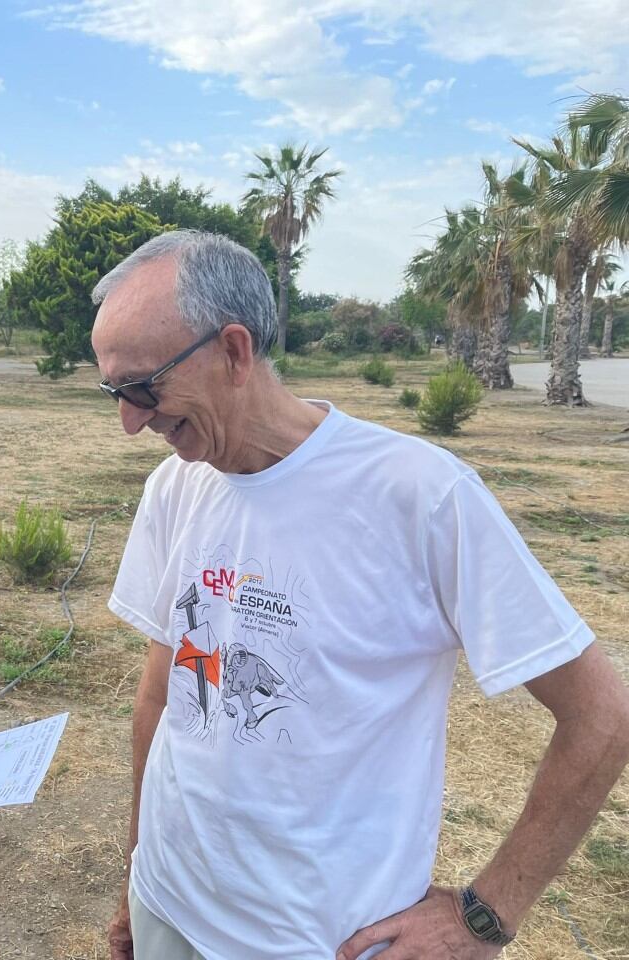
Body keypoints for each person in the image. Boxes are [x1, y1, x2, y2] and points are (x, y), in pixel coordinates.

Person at [92, 230, 629, 960]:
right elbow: (163, 696)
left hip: (318, 943)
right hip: (170, 905)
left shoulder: (419, 495)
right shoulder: (176, 486)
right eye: (113, 391)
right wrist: (135, 874)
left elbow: (602, 713)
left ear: (235, 351)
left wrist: (488, 913)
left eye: (141, 387)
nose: (129, 420)